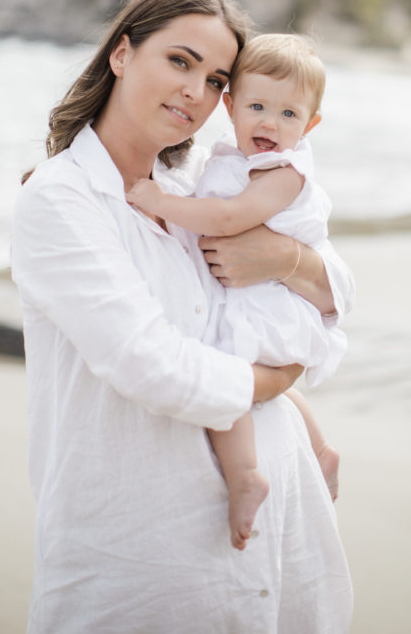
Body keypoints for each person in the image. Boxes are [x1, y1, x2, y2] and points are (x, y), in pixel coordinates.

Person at [11, 0, 354, 634]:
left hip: (282, 532)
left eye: (216, 77)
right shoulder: (62, 201)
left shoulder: (192, 186)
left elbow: (336, 290)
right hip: (149, 554)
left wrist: (285, 260)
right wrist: (278, 379)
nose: (195, 91)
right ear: (121, 54)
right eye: (179, 61)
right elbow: (151, 365)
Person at [127, 33, 345, 551]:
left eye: (289, 115)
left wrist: (157, 200)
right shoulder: (227, 158)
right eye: (256, 107)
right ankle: (320, 447)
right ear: (230, 107)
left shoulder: (283, 171)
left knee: (226, 365)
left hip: (270, 299)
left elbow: (227, 218)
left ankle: (245, 474)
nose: (270, 124)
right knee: (253, 370)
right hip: (254, 291)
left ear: (310, 125)